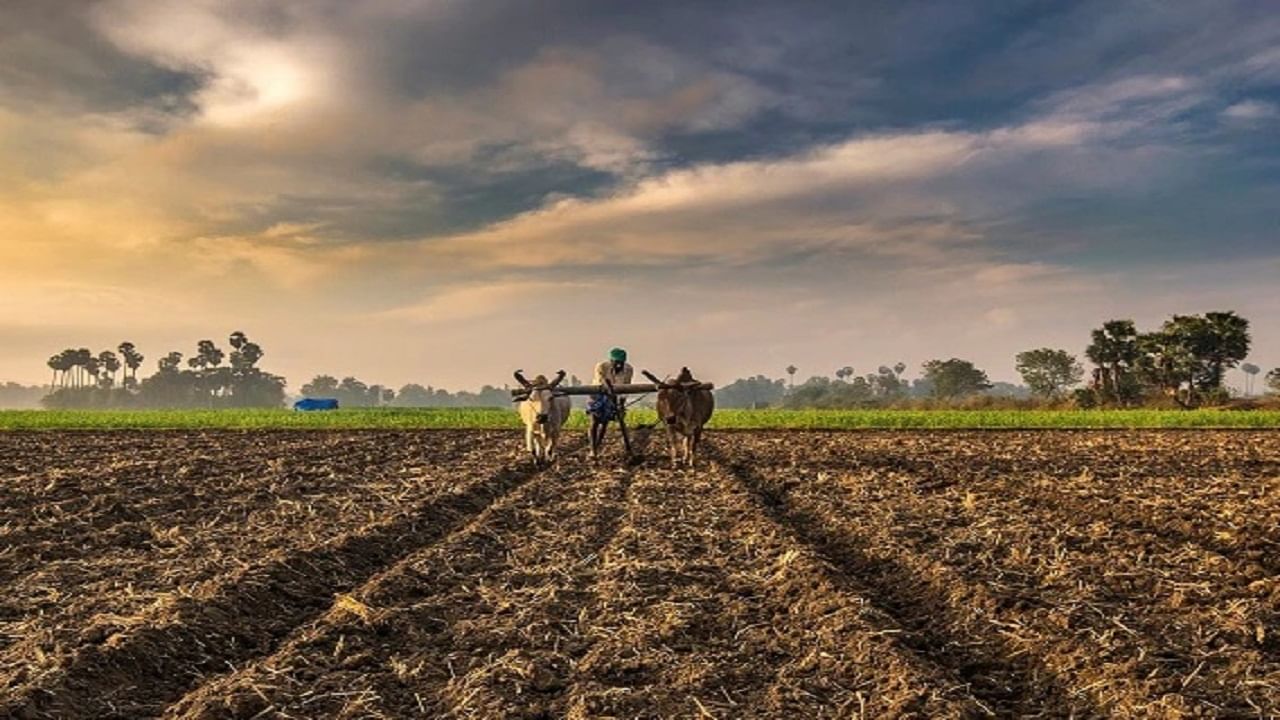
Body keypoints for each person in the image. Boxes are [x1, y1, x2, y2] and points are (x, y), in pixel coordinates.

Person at [587, 347, 633, 459]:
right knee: (594, 421)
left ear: (624, 362)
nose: (618, 365)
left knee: (605, 423)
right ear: (611, 361)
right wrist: (609, 392)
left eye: (620, 363)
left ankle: (597, 446)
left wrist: (621, 404)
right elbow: (601, 382)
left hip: (615, 397)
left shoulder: (628, 369)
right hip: (598, 395)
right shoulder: (601, 367)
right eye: (616, 362)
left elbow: (626, 386)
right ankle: (592, 449)